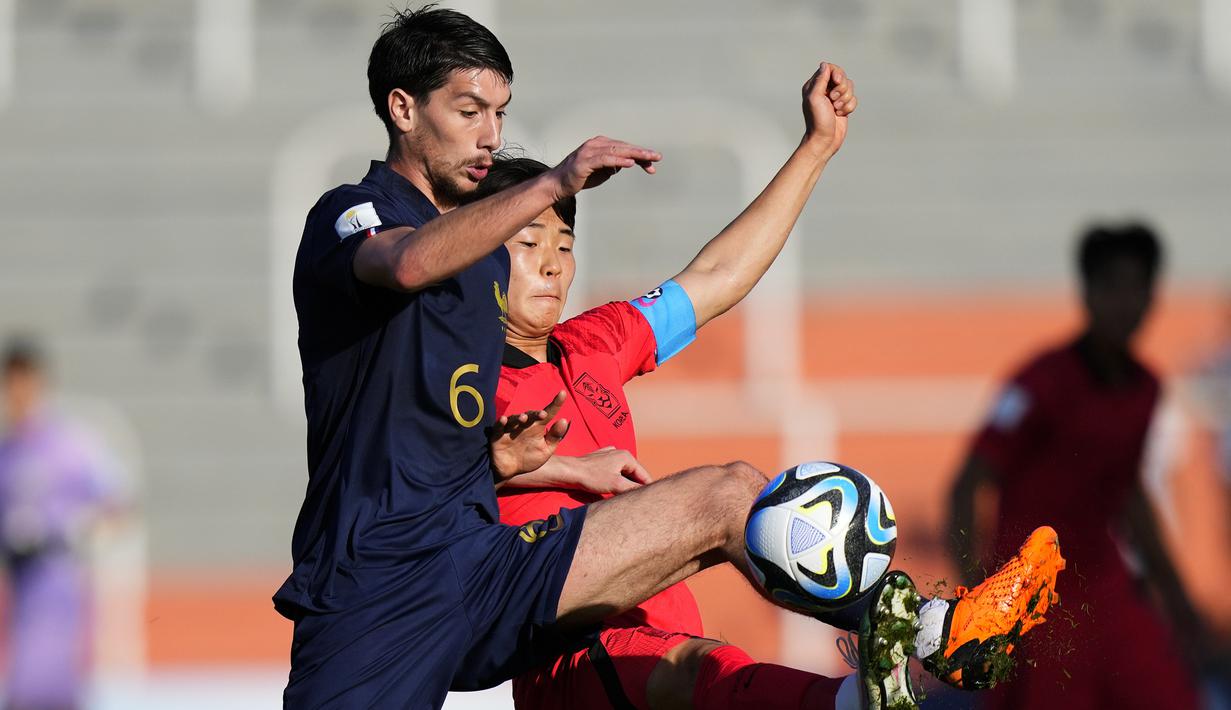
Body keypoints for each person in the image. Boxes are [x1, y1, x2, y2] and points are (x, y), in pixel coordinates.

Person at [275, 7, 1057, 708]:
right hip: (378, 587)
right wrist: (552, 180)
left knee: (729, 499)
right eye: (469, 111)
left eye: (500, 113)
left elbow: (712, 280)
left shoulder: (555, 327)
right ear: (401, 108)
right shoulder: (353, 214)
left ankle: (928, 635)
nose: (489, 134)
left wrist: (816, 150)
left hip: (487, 567)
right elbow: (406, 265)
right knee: (696, 669)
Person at [478, 146, 1066, 708]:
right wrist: (566, 466)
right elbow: (399, 469)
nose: (553, 262)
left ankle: (876, 686)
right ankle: (936, 630)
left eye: (564, 243)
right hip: (564, 649)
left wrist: (816, 148)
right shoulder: (454, 373)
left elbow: (717, 274)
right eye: (528, 243)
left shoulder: (592, 342)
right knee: (728, 498)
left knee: (712, 658)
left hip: (656, 636)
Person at [948, 223, 1206, 708]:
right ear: (1086, 291)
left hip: (1107, 591)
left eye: (1138, 286)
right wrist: (977, 602)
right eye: (1113, 285)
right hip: (1037, 605)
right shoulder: (1039, 382)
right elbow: (967, 484)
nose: (1126, 302)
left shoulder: (1145, 388)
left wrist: (1178, 601)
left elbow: (1126, 492)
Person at [0, 338, 125, 710]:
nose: (18, 394)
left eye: (25, 383)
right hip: (20, 594)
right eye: (11, 384)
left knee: (50, 691)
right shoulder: (6, 455)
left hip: (61, 589)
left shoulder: (73, 445)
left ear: (40, 384)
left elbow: (116, 506)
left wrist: (76, 532)